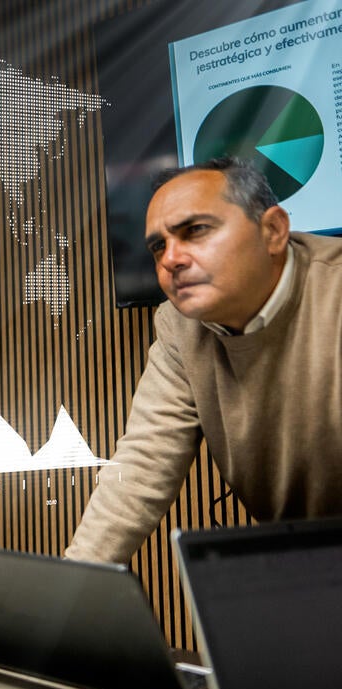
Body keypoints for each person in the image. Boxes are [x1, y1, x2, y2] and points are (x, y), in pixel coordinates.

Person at [66, 157, 342, 563]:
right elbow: (142, 466)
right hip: (307, 565)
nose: (170, 259)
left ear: (273, 231)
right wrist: (62, 599)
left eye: (195, 230)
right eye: (158, 245)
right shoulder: (179, 325)